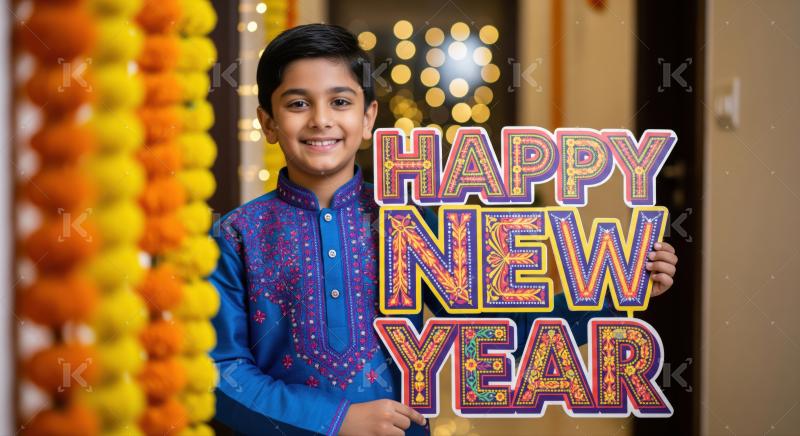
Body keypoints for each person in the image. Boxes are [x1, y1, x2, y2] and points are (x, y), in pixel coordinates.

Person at [209, 23, 679, 436]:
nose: (321, 119)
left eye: (340, 101)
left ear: (368, 118)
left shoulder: (405, 220)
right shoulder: (237, 236)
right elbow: (222, 373)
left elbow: (502, 327)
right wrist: (337, 420)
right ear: (268, 123)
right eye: (297, 103)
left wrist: (619, 289)